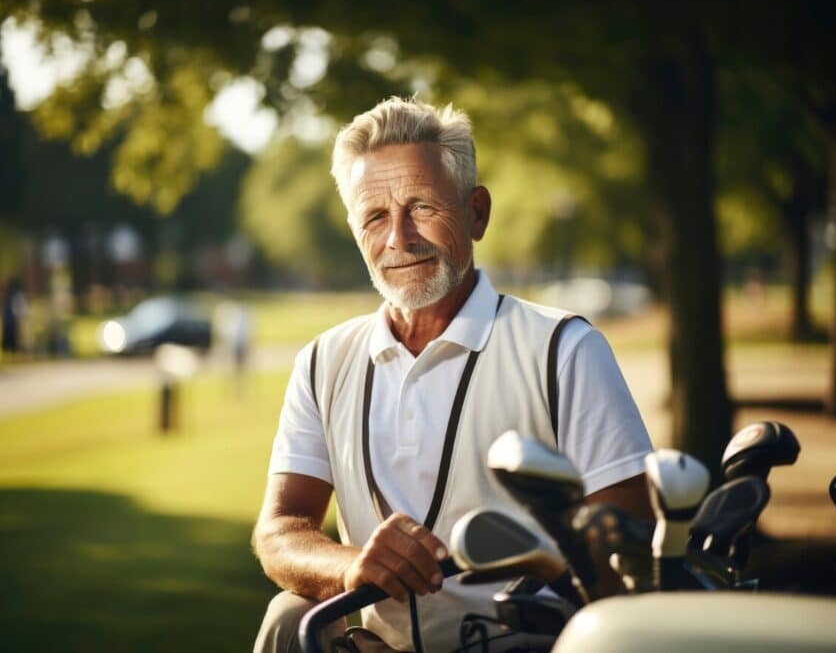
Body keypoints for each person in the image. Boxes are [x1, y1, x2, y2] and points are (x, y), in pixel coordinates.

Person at [252, 97, 653, 652]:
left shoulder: (565, 349)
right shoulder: (323, 361)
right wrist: (351, 567)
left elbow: (627, 550)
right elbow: (279, 532)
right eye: (374, 217)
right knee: (286, 616)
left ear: (476, 212)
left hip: (523, 644)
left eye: (420, 207)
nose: (399, 238)